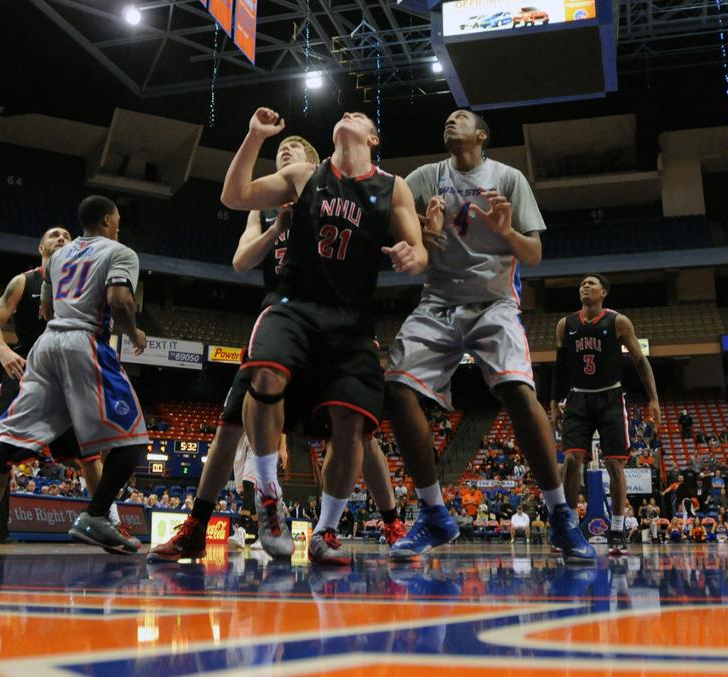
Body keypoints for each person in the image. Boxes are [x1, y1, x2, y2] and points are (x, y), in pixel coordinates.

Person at [150, 135, 407, 562]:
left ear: (311, 162)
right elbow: (240, 261)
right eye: (280, 149)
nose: (284, 151)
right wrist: (276, 229)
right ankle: (197, 524)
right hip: (284, 319)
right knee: (228, 427)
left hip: (333, 323)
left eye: (293, 147)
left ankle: (390, 520)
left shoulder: (326, 191)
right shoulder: (264, 207)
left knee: (359, 429)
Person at [383, 109, 594, 564]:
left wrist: (506, 231)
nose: (449, 120)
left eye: (460, 118)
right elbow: (400, 234)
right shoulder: (423, 178)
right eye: (447, 117)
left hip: (495, 303)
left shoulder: (508, 178)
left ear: (481, 135)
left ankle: (560, 515)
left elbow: (534, 254)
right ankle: (434, 512)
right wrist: (421, 231)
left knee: (519, 392)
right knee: (397, 389)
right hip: (436, 301)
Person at [220, 108, 427, 565]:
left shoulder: (393, 186)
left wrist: (415, 254)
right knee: (265, 374)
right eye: (344, 113)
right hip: (294, 304)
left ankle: (326, 531)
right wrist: (253, 137)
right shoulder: (302, 174)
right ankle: (269, 495)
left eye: (360, 116)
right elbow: (235, 196)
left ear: (373, 139)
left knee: (353, 422)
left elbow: (418, 245)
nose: (349, 113)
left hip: (351, 317)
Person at [0, 196, 150, 559]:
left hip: (44, 349)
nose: (119, 226)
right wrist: (134, 332)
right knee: (133, 438)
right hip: (85, 342)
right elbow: (120, 300)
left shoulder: (58, 257)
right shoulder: (120, 251)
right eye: (117, 220)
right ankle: (95, 515)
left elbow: (46, 301)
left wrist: (55, 307)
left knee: (10, 440)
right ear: (108, 220)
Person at [0, 225, 112, 556]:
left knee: (90, 458)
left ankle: (109, 522)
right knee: (0, 457)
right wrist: (5, 352)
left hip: (70, 378)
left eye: (67, 236)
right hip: (26, 375)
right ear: (41, 247)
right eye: (53, 235)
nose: (61, 239)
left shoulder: (84, 284)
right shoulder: (24, 281)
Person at [552, 273, 661, 557]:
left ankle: (616, 527)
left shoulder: (618, 322)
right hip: (578, 397)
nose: (584, 286)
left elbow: (639, 359)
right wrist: (553, 401)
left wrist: (653, 398)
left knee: (615, 465)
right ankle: (571, 527)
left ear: (603, 293)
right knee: (572, 460)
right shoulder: (566, 324)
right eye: (582, 284)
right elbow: (560, 366)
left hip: (611, 397)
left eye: (591, 284)